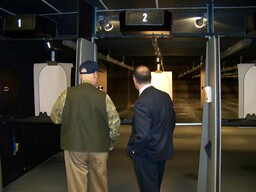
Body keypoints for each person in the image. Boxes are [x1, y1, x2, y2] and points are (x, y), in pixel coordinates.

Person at [50, 60, 121, 192]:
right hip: (99, 147)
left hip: (73, 146)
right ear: (95, 74)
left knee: (76, 185)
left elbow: (55, 117)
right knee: (99, 185)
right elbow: (115, 124)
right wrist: (110, 143)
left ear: (81, 76)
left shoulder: (67, 94)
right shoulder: (104, 97)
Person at [127, 65, 176, 192]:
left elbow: (143, 135)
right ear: (150, 78)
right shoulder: (165, 97)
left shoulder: (142, 101)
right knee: (156, 186)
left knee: (148, 188)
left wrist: (135, 150)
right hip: (162, 150)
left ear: (134, 80)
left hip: (146, 154)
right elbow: (172, 122)